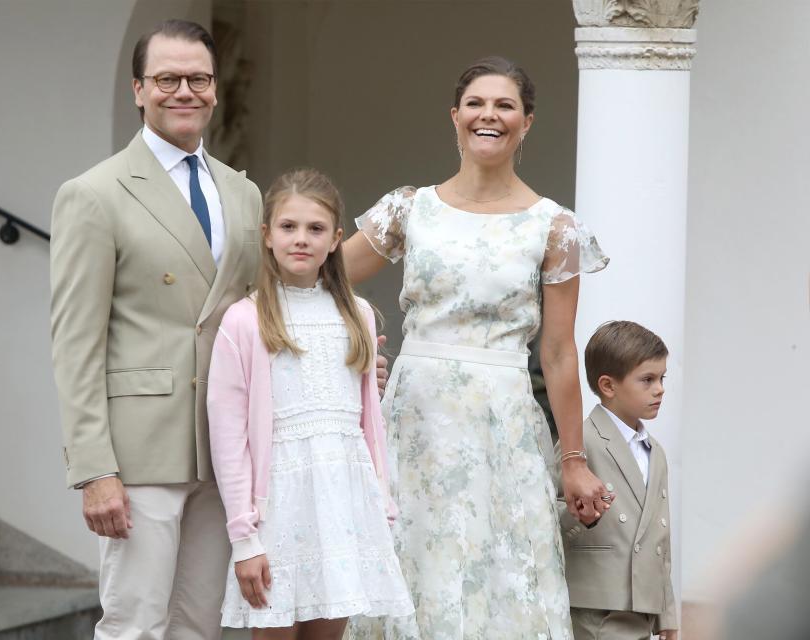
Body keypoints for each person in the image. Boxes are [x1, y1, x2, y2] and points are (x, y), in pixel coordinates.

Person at [342, 56, 612, 639]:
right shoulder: (410, 209)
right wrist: (360, 354)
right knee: (412, 559)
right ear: (456, 117)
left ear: (527, 122)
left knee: (501, 571)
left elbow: (561, 352)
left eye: (505, 105)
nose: (489, 115)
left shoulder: (554, 226)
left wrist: (573, 459)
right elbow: (319, 283)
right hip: (415, 419)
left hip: (503, 424)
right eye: (477, 104)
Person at [49, 19, 263, 640]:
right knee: (135, 623)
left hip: (224, 446)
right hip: (139, 452)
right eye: (167, 79)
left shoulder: (242, 193)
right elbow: (75, 343)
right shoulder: (94, 193)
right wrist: (94, 468)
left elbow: (257, 315)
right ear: (138, 90)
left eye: (198, 79)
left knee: (200, 624)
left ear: (216, 90)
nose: (184, 92)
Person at [207, 169, 415, 639]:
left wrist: (379, 503)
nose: (301, 239)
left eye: (316, 229)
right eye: (288, 227)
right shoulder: (243, 321)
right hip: (278, 512)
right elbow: (228, 438)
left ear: (337, 239)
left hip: (344, 506)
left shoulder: (356, 315)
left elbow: (369, 427)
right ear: (267, 236)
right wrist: (244, 539)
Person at [557, 321, 678, 640]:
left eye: (662, 378)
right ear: (608, 386)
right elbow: (545, 517)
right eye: (648, 379)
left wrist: (666, 612)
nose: (660, 388)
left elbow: (659, 541)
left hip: (641, 606)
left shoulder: (657, 452)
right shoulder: (579, 441)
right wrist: (580, 516)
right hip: (595, 604)